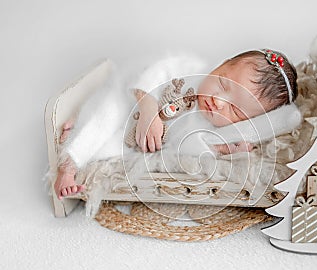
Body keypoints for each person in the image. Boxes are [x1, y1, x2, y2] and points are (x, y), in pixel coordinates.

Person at [54, 49, 298, 199]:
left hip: (131, 141)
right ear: (221, 65)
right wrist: (148, 107)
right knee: (106, 115)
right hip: (130, 102)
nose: (218, 102)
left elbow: (185, 150)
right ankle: (69, 165)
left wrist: (225, 150)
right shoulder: (191, 69)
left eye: (234, 110)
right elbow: (156, 70)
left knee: (108, 152)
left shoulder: (213, 129)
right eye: (223, 84)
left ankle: (78, 136)